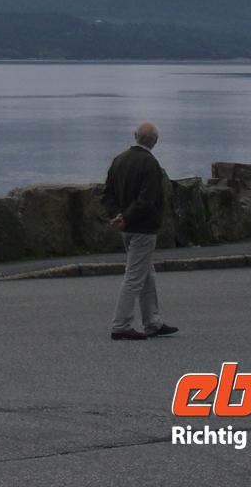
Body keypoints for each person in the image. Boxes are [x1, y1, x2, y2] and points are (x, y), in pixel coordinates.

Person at [101, 121, 179, 341]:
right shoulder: (150, 163)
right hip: (143, 228)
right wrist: (126, 217)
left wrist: (117, 215)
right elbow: (147, 200)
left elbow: (107, 193)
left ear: (135, 136)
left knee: (146, 274)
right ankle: (120, 325)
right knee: (134, 277)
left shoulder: (119, 159)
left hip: (126, 228)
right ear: (155, 141)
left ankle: (153, 322)